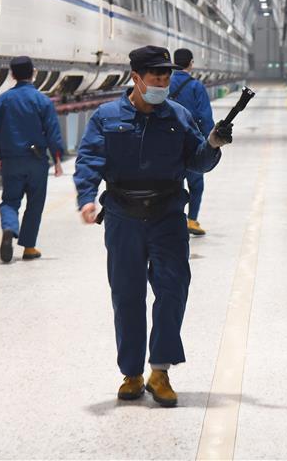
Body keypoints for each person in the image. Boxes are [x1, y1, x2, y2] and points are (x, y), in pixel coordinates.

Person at [73, 45, 232, 407]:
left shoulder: (178, 115)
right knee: (127, 295)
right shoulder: (106, 116)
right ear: (136, 78)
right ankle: (131, 373)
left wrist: (212, 144)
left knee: (173, 290)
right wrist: (86, 197)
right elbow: (90, 159)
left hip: (167, 215)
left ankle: (160, 371)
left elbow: (197, 162)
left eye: (166, 77)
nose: (162, 83)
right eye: (155, 77)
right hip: (123, 217)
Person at [0, 56, 64, 263]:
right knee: (35, 204)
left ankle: (9, 228)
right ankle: (29, 248)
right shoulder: (42, 100)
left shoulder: (3, 100)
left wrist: (0, 155)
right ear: (33, 73)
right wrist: (57, 159)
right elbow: (52, 132)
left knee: (10, 201)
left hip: (11, 160)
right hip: (36, 160)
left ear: (12, 75)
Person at [170, 48, 215, 236]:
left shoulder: (165, 83)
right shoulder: (196, 86)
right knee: (196, 184)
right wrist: (209, 142)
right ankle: (192, 220)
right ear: (191, 63)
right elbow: (205, 117)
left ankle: (175, 221)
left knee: (173, 185)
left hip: (168, 143)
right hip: (192, 143)